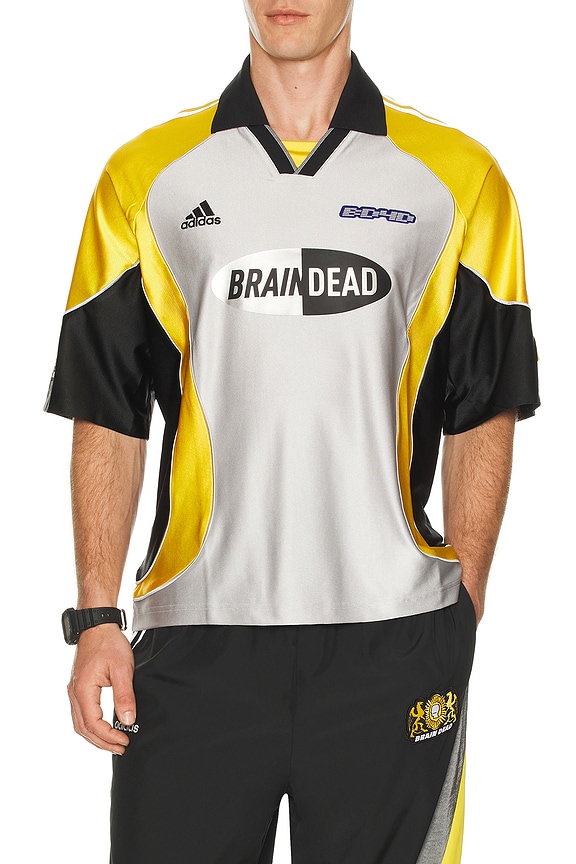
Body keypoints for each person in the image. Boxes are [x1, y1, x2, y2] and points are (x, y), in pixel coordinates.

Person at [46, 2, 540, 862]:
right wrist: (96, 617)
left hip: (394, 642)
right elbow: (109, 411)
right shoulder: (145, 177)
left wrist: (463, 609)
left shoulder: (459, 179)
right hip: (196, 638)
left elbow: (484, 406)